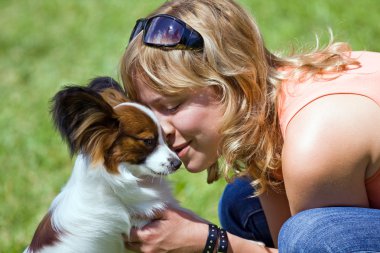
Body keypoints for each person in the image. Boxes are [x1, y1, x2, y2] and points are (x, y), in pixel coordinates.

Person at [119, 0, 380, 252]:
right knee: (242, 201)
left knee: (308, 233)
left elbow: (302, 245)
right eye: (149, 111)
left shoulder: (314, 143)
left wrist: (211, 242)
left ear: (233, 81)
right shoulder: (267, 120)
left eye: (172, 105)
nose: (160, 129)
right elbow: (283, 246)